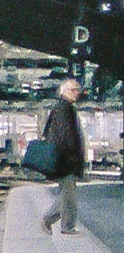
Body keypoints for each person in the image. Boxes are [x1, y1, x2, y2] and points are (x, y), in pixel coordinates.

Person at [42, 76, 88, 235]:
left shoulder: (65, 107)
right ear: (67, 91)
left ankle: (49, 221)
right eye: (75, 90)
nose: (78, 94)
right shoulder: (63, 108)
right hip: (65, 159)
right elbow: (65, 135)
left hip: (65, 159)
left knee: (66, 194)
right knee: (68, 196)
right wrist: (72, 157)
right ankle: (66, 226)